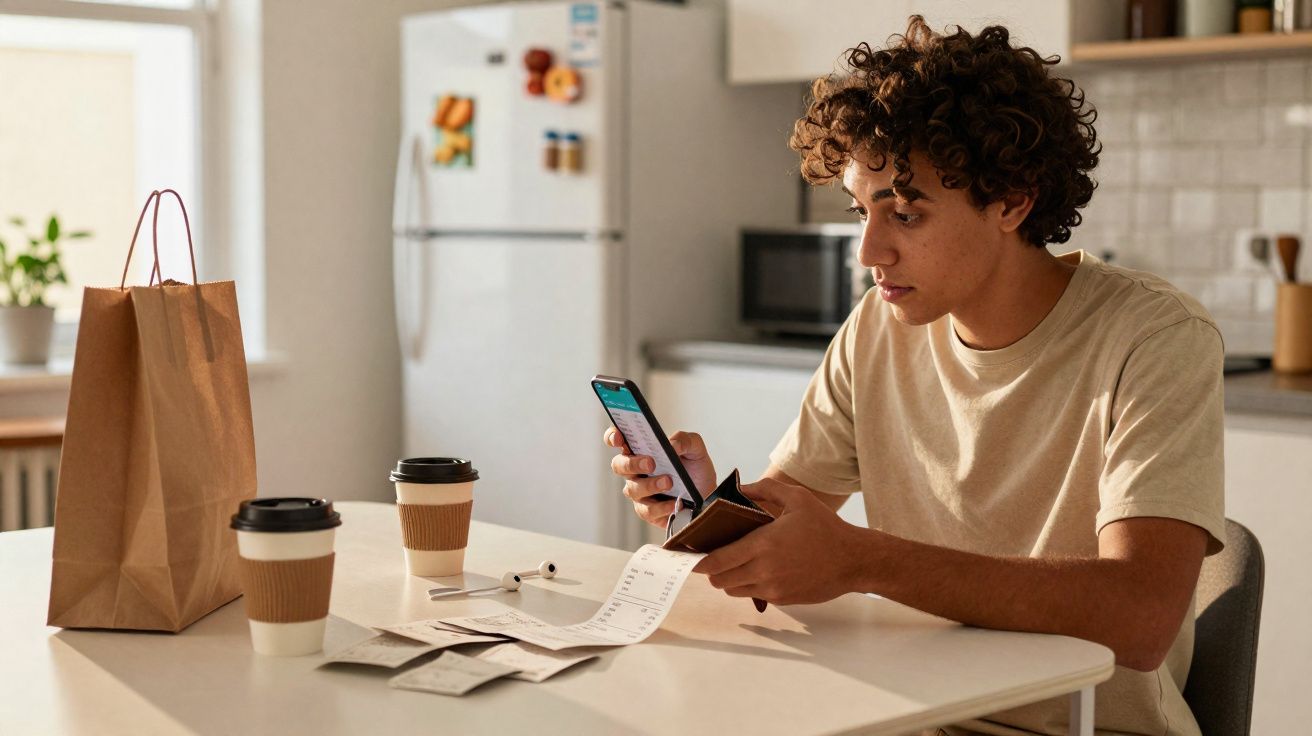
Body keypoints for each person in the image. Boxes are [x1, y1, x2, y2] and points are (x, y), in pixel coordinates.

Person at [603, 16, 1225, 736]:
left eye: (904, 212)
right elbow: (797, 514)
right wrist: (712, 509)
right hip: (912, 713)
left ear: (1013, 201)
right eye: (860, 209)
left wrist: (865, 561)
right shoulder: (878, 327)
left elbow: (1140, 617)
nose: (870, 251)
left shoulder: (1154, 338)